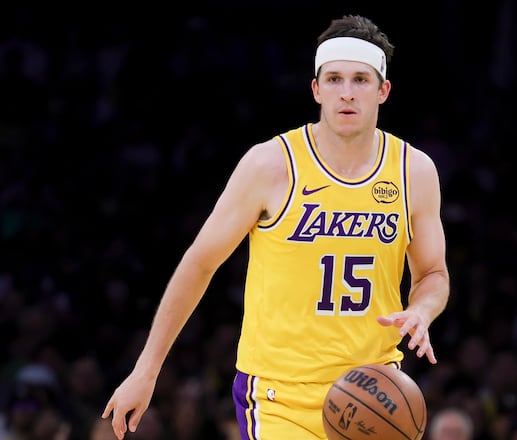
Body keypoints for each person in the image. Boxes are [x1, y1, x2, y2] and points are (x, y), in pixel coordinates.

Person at [101, 14, 450, 440]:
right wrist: (146, 370)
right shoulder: (270, 165)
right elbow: (199, 264)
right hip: (278, 398)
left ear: (383, 90)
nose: (347, 93)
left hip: (373, 392)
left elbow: (432, 274)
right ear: (316, 89)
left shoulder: (414, 171)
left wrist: (422, 310)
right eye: (335, 79)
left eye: (360, 80)